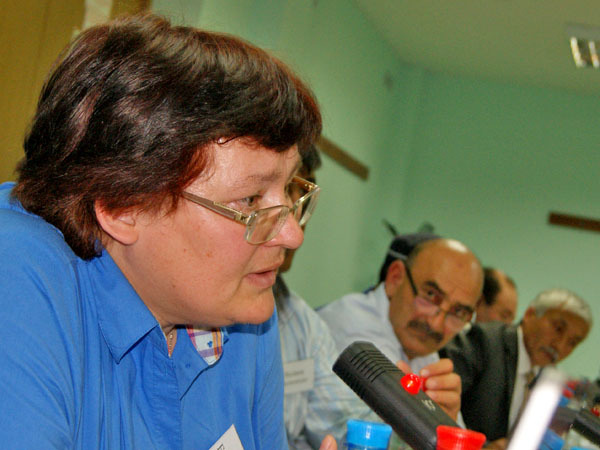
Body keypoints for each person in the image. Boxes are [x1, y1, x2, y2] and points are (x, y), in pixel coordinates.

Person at [0, 13, 338, 450]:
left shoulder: (243, 307)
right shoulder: (16, 274)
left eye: (290, 190)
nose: (291, 235)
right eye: (251, 200)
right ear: (123, 204)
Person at [275, 147, 381, 449]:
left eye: (302, 194)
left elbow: (342, 425)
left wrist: (408, 416)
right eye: (287, 188)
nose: (296, 227)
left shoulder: (303, 324)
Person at [319, 233, 484, 421]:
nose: (436, 324)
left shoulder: (418, 345)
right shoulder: (354, 329)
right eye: (430, 295)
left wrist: (448, 422)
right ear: (395, 278)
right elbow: (368, 432)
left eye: (458, 312)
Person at [441, 288, 592, 443]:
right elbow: (439, 411)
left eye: (572, 342)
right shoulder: (483, 342)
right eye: (558, 329)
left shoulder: (546, 377)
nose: (560, 346)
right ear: (529, 314)